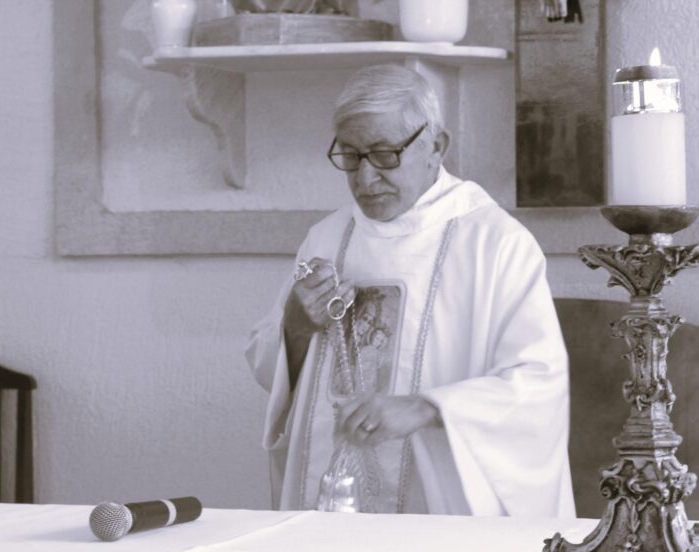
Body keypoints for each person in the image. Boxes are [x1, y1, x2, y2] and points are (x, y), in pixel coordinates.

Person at [246, 64, 575, 518]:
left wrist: (427, 407)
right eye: (350, 155)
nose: (364, 179)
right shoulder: (327, 238)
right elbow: (271, 370)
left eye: (384, 155)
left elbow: (538, 384)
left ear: (436, 146)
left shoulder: (494, 243)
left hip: (440, 512)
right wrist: (297, 326)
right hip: (331, 509)